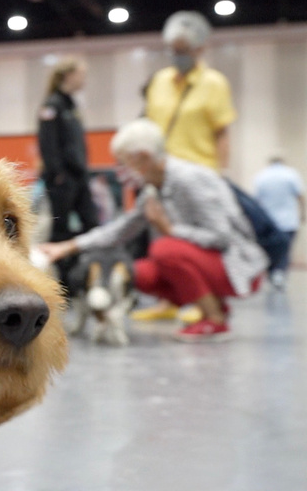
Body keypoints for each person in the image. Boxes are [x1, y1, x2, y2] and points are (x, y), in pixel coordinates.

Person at [40, 118, 267, 343]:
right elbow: (121, 230)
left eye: (124, 162)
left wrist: (170, 229)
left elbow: (222, 237)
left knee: (164, 249)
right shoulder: (153, 187)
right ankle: (217, 306)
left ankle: (215, 319)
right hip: (210, 261)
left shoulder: (190, 179)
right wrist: (67, 246)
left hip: (237, 265)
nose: (121, 170)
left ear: (144, 158)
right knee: (136, 273)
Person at [144, 11, 236, 173]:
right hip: (164, 173)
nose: (178, 55)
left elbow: (222, 134)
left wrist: (223, 172)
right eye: (174, 50)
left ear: (199, 49)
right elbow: (151, 130)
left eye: (184, 50)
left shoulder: (215, 83)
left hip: (200, 172)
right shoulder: (159, 80)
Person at [37, 58, 99, 287]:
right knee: (60, 229)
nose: (84, 80)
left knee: (91, 224)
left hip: (79, 177)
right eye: (81, 74)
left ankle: (89, 276)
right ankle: (64, 284)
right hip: (62, 180)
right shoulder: (52, 106)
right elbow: (48, 144)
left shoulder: (72, 105)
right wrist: (57, 174)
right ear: (68, 76)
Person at [253, 154, 305, 289]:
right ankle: (280, 273)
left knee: (271, 249)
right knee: (286, 249)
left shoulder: (261, 176)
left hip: (269, 221)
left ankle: (273, 272)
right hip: (289, 220)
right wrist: (303, 214)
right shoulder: (291, 174)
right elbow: (300, 196)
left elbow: (256, 200)